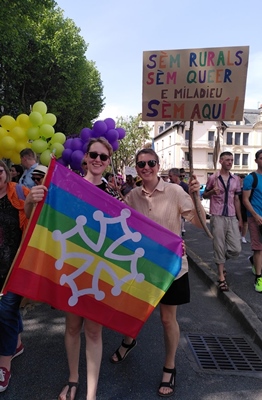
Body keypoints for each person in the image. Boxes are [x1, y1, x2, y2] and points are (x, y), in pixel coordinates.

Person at [25, 137, 123, 400]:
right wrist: (31, 201)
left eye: (104, 157)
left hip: (98, 272)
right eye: (94, 154)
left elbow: (130, 233)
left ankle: (91, 394)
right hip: (72, 268)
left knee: (93, 331)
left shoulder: (114, 195)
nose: (98, 160)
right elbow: (35, 216)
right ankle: (73, 379)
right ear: (85, 157)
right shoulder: (67, 186)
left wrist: (172, 247)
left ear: (108, 161)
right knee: (71, 328)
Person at [110, 148, 205, 397]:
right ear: (137, 168)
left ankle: (170, 366)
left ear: (158, 164)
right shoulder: (133, 196)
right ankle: (129, 341)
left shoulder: (175, 191)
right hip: (142, 267)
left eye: (150, 162)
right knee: (133, 311)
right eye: (141, 164)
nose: (146, 167)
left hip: (172, 269)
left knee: (166, 319)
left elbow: (197, 222)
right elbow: (121, 221)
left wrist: (196, 198)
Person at [0, 160, 30, 392]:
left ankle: (4, 366)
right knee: (9, 312)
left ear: (7, 173)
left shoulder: (21, 193)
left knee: (4, 313)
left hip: (16, 266)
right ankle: (17, 344)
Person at [202, 151, 242, 292]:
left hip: (231, 216)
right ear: (221, 161)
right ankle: (221, 277)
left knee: (236, 249)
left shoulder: (235, 179)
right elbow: (204, 195)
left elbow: (236, 199)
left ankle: (221, 261)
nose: (230, 162)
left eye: (231, 160)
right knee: (219, 245)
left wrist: (240, 219)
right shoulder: (213, 178)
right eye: (227, 160)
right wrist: (212, 192)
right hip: (217, 215)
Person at [243, 149, 262, 293]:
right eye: (261, 158)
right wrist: (255, 216)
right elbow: (245, 200)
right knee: (258, 248)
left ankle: (254, 262)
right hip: (256, 218)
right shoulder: (251, 178)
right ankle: (259, 278)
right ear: (256, 160)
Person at [168, 168, 189, 236]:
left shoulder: (185, 186)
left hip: (180, 214)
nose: (169, 178)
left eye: (170, 176)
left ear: (176, 175)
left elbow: (189, 199)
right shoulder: (167, 186)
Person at [238, 174, 249, 243]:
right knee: (238, 222)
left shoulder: (246, 187)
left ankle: (243, 237)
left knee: (245, 223)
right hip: (237, 206)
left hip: (245, 207)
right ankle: (237, 235)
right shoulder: (236, 187)